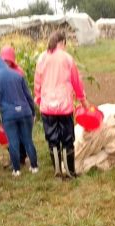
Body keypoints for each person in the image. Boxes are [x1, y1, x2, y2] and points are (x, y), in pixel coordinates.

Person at [34, 31, 90, 178]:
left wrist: (39, 99)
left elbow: (37, 82)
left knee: (52, 140)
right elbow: (76, 82)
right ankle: (70, 172)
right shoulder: (67, 58)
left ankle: (57, 171)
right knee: (67, 140)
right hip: (64, 106)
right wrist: (83, 101)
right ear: (63, 42)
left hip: (47, 107)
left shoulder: (42, 58)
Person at [0, 57, 38, 177]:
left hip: (9, 114)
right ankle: (34, 166)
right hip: (25, 112)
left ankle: (16, 170)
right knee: (28, 140)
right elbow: (28, 96)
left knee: (13, 142)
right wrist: (33, 112)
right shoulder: (17, 75)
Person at [0, 44, 28, 165]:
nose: (6, 63)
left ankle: (22, 156)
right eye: (4, 60)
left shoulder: (19, 72)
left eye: (8, 60)